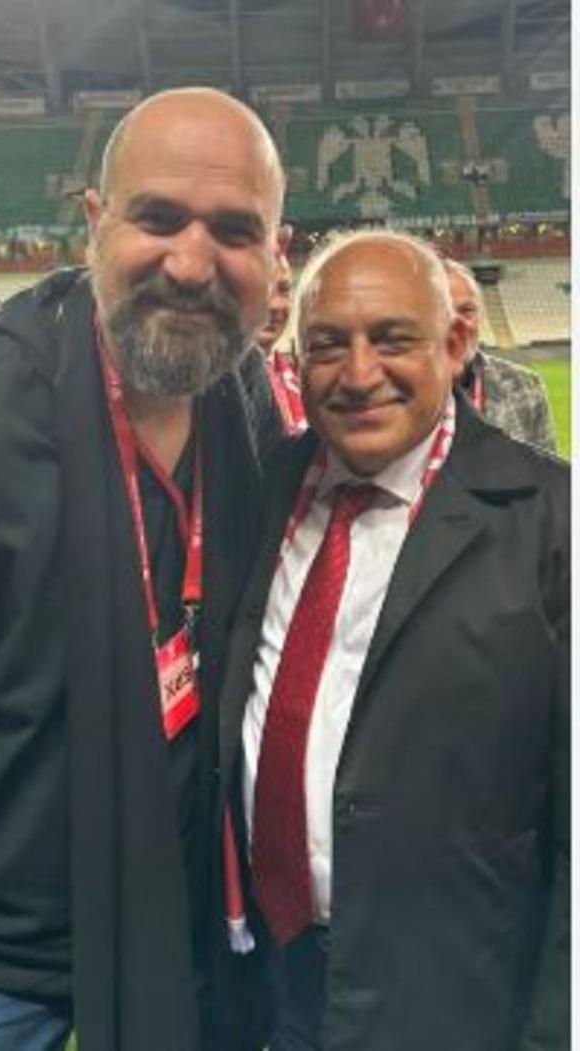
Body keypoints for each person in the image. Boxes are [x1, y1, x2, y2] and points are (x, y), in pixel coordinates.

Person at [0, 87, 289, 1051]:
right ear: (94, 222)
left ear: (276, 253)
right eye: (158, 218)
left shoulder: (243, 398)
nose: (192, 263)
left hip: (177, 932)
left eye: (234, 231)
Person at [216, 231, 569, 1050]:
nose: (359, 372)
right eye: (327, 345)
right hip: (275, 983)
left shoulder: (551, 523)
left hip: (454, 1003)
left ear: (457, 341)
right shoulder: (263, 493)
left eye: (393, 338)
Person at [444, 258, 557, 453]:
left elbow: (545, 468)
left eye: (467, 311)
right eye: (444, 312)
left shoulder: (525, 386)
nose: (458, 323)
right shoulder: (396, 387)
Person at [256, 243, 306, 434]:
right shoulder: (206, 393)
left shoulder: (295, 379)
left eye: (284, 290)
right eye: (261, 289)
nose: (275, 305)